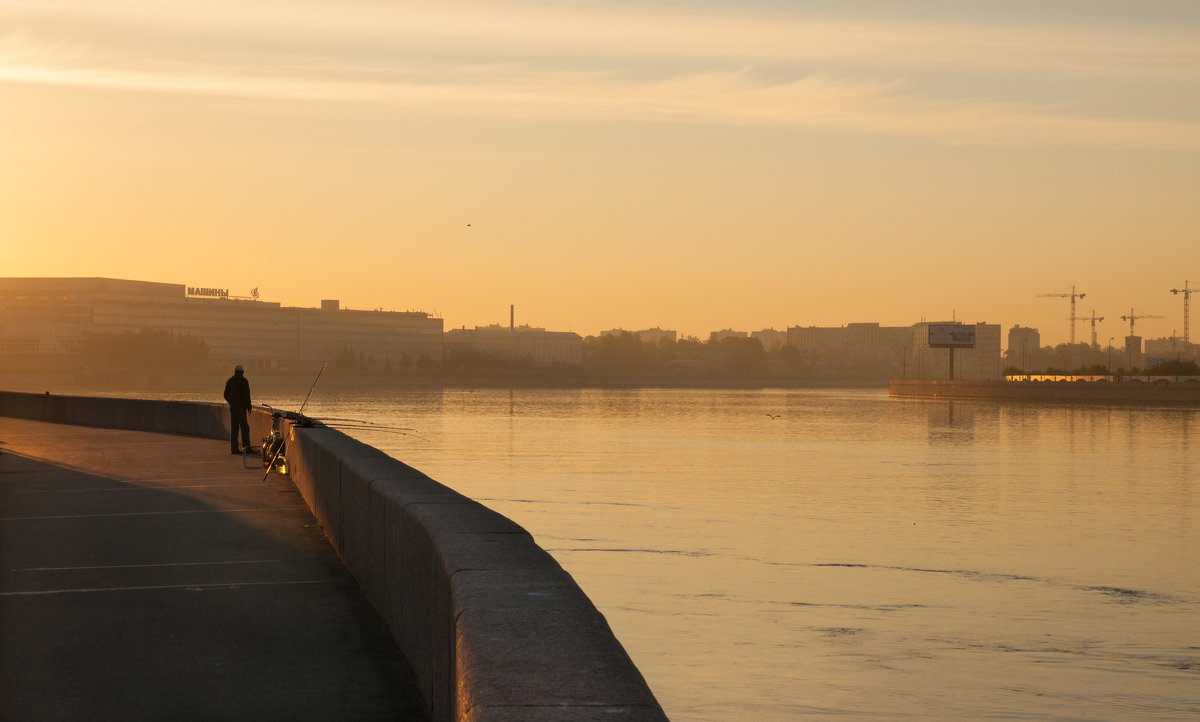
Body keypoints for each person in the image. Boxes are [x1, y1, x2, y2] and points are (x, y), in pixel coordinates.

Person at [223, 364, 252, 454]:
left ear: (235, 372)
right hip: (240, 407)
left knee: (234, 429)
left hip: (233, 407)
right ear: (242, 372)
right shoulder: (243, 381)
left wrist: (232, 403)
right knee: (245, 428)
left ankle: (234, 449)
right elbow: (246, 395)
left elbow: (225, 395)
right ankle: (246, 448)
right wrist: (249, 406)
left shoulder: (230, 381)